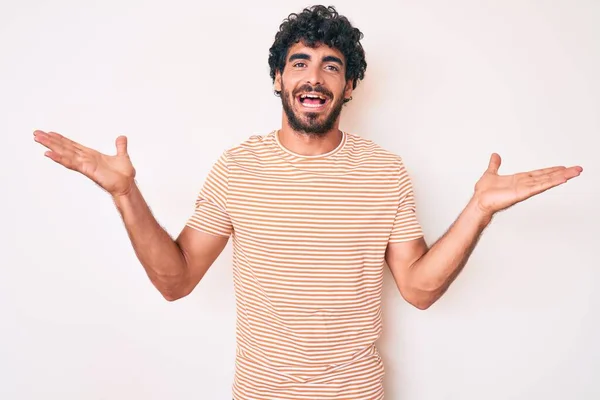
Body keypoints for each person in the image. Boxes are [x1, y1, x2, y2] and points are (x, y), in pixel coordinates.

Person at [32, 5, 582, 400]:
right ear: (278, 77)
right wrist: (126, 194)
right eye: (299, 62)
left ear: (349, 87)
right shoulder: (238, 168)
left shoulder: (384, 172)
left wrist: (478, 210)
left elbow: (417, 288)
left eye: (331, 66)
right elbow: (176, 281)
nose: (313, 78)